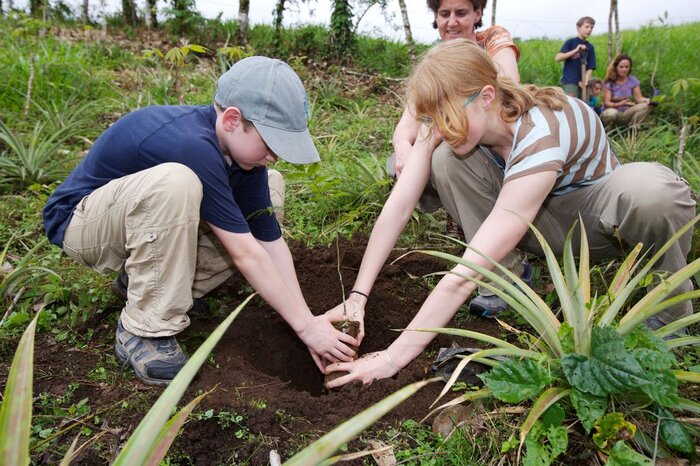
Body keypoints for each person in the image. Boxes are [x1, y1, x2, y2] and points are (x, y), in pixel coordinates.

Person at [324, 39, 696, 388]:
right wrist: (357, 297)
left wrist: (391, 358)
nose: (440, 129)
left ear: (486, 96)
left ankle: (668, 315)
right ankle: (509, 278)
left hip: (595, 226)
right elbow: (399, 207)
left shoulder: (541, 133)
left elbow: (465, 274)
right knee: (446, 158)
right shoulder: (460, 116)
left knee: (652, 191)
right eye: (433, 120)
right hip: (529, 221)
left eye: (447, 117)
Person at [42, 56, 358, 386]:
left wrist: (308, 321)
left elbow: (269, 245)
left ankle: (142, 285)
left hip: (138, 224)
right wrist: (305, 329)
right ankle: (143, 331)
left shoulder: (243, 160)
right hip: (81, 223)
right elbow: (245, 254)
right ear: (233, 120)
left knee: (271, 184)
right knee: (177, 183)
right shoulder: (191, 144)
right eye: (271, 143)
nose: (274, 155)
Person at [389, 0, 527, 318]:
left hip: (500, 155)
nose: (452, 22)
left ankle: (502, 273)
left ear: (477, 14)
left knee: (445, 158)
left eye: (461, 13)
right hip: (460, 150)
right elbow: (405, 128)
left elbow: (509, 93)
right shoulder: (437, 59)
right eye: (444, 14)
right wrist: (404, 153)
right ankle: (472, 229)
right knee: (413, 161)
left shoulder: (494, 42)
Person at [601, 54, 653, 128]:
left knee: (646, 106)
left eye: (626, 67)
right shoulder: (609, 82)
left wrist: (647, 100)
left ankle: (633, 128)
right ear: (616, 68)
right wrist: (621, 104)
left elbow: (638, 98)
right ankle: (608, 131)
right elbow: (607, 103)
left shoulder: (633, 80)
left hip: (626, 112)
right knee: (612, 114)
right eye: (621, 67)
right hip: (611, 110)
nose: (624, 69)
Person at [556, 16, 596, 99]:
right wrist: (575, 50)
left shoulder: (590, 47)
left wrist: (585, 80)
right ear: (578, 28)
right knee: (571, 104)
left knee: (584, 105)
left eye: (591, 27)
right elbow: (558, 58)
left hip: (583, 82)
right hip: (570, 81)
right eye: (587, 27)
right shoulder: (570, 42)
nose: (589, 30)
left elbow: (591, 67)